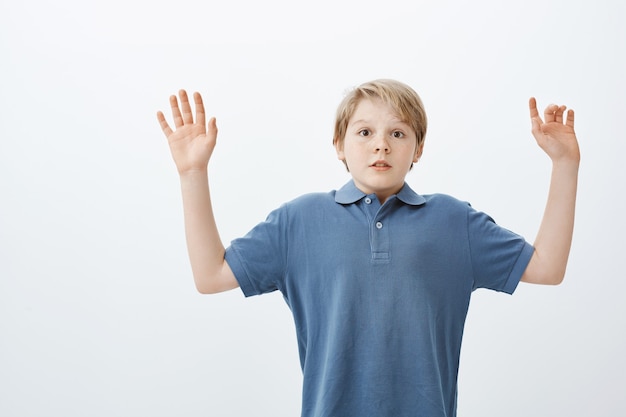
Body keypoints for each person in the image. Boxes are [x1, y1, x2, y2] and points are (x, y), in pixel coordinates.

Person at [156, 79, 579, 417]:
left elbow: (547, 267)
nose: (381, 144)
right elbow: (210, 276)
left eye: (398, 132)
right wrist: (192, 172)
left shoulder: (454, 222)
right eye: (365, 132)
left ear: (419, 149)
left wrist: (564, 164)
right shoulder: (298, 222)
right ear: (339, 145)